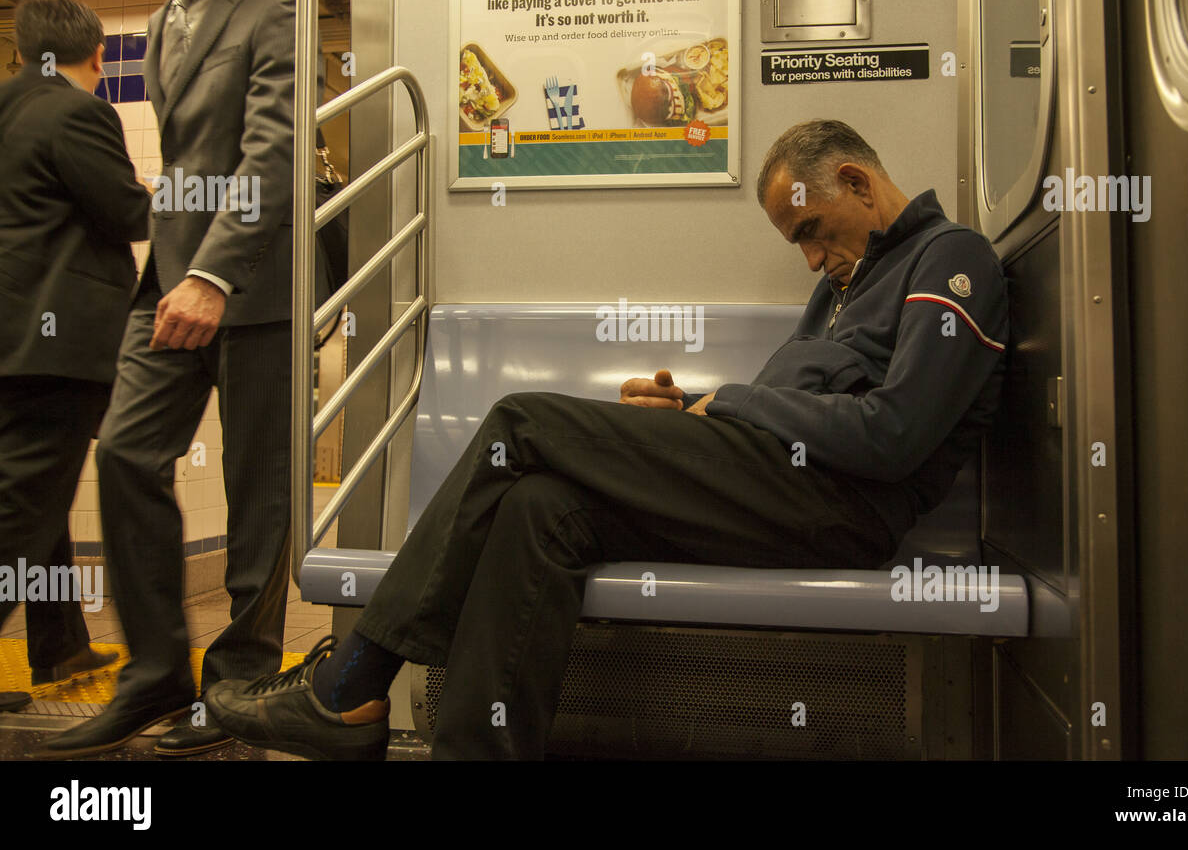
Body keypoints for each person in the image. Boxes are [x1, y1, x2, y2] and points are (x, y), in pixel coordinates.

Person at [205, 119, 1011, 761]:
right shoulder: (843, 286)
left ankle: (351, 684)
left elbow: (894, 435)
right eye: (795, 241)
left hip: (837, 508)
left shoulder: (950, 259)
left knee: (521, 423)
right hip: (770, 489)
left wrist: (725, 402)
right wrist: (688, 406)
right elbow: (779, 408)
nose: (808, 257)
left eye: (811, 227)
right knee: (539, 506)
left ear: (857, 183)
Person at [44, 0, 299, 757]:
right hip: (171, 281)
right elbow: (192, 155)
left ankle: (239, 685)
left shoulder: (279, 5)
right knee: (123, 451)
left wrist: (217, 272)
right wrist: (179, 267)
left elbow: (273, 148)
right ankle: (156, 669)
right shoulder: (160, 21)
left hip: (253, 282)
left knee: (256, 488)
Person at [0, 0, 144, 713]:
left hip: (12, 343)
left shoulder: (7, 107)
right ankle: (58, 648)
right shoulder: (80, 110)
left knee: (38, 500)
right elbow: (126, 210)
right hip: (50, 346)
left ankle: (59, 649)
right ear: (98, 56)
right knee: (21, 509)